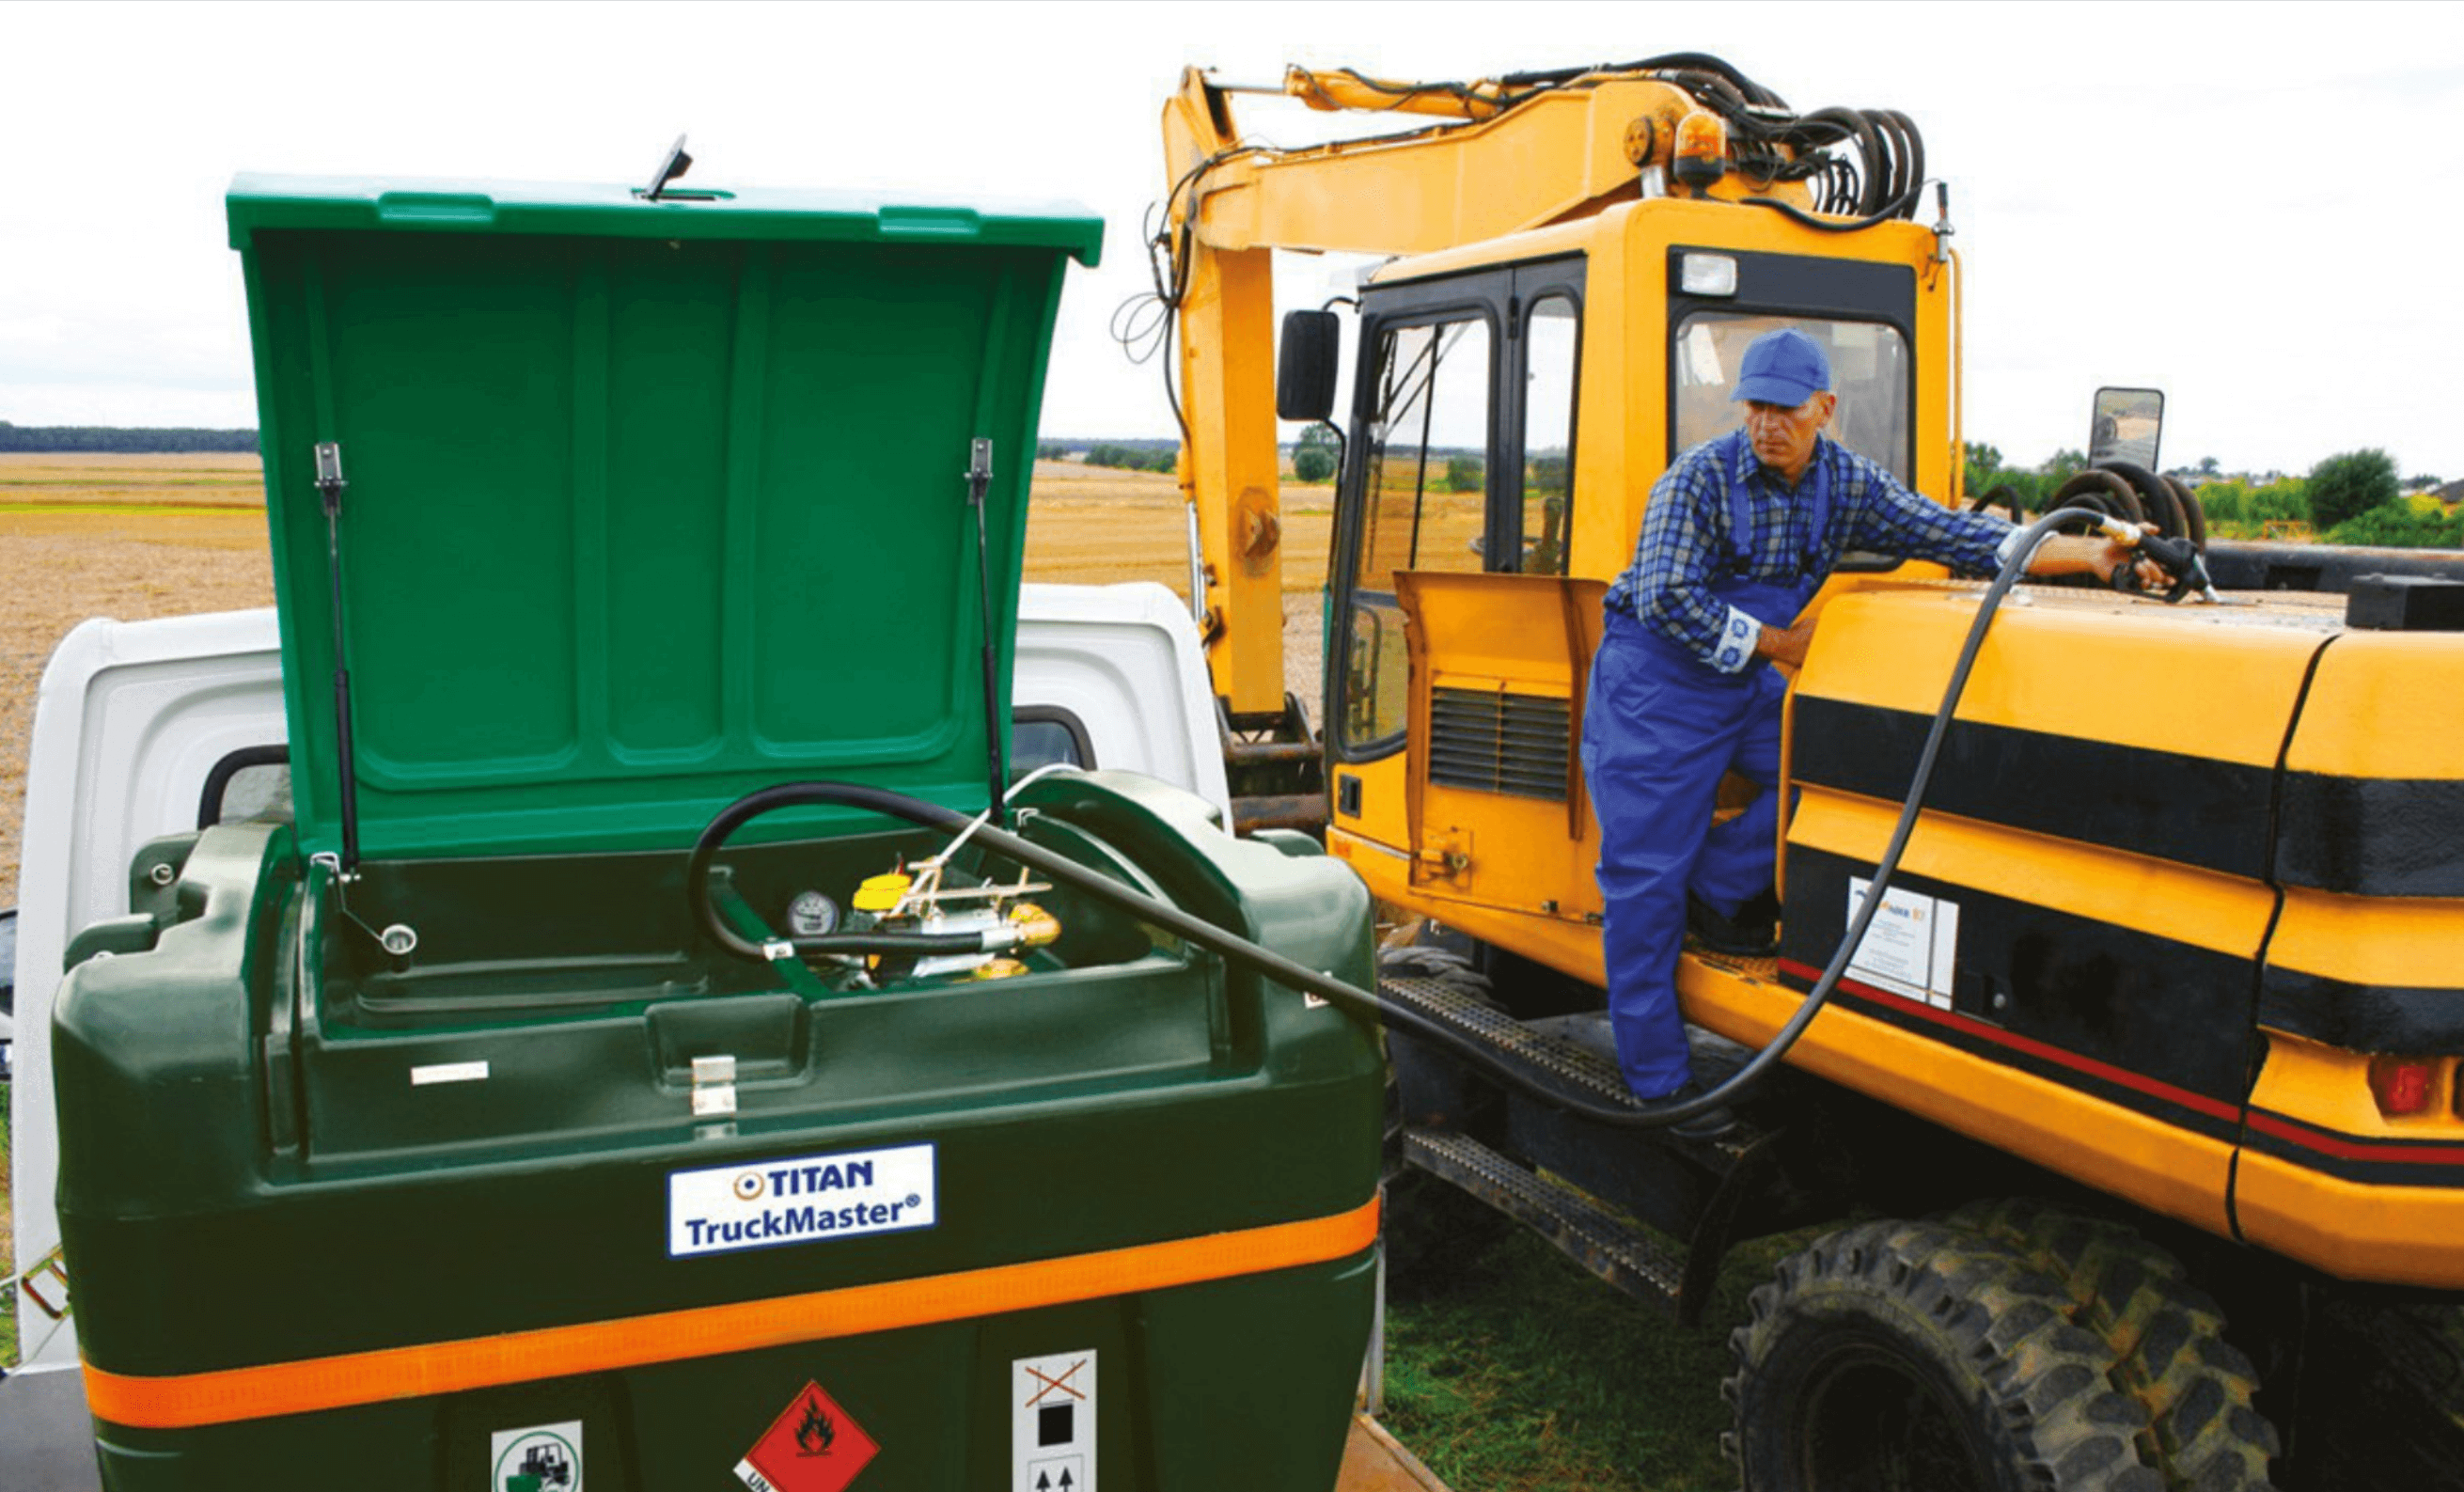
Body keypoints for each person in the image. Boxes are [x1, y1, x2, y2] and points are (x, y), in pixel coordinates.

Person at [1582, 327, 2163, 1136]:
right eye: (1754, 407)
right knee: (1642, 883)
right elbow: (1667, 601)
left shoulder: (1845, 483)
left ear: (1824, 408)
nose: (1766, 426)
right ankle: (1660, 1087)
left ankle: (1713, 883)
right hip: (1658, 687)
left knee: (1839, 779)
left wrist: (2087, 557)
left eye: (1785, 410)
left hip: (1743, 681)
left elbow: (1957, 535)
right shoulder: (1697, 482)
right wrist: (1782, 646)